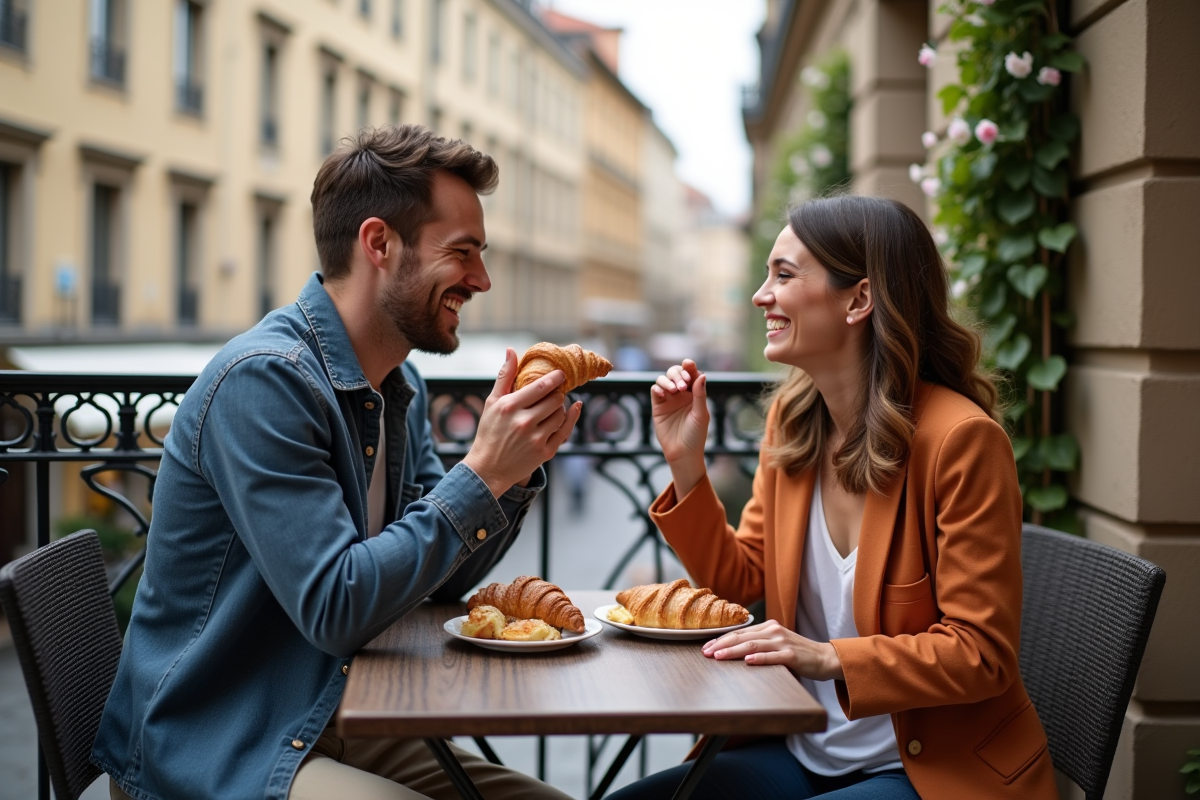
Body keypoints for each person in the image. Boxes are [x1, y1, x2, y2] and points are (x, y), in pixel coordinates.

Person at [92, 125, 580, 800]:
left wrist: (513, 473)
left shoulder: (396, 388)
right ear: (379, 244)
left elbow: (441, 581)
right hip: (224, 741)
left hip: (336, 711)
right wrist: (483, 475)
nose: (482, 279)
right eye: (463, 253)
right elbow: (336, 605)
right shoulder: (265, 384)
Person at [612, 195, 1058, 800]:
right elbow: (740, 582)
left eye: (784, 275)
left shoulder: (961, 441)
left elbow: (981, 653)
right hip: (802, 747)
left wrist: (827, 657)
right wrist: (685, 463)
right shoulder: (794, 426)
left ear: (859, 300)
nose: (760, 295)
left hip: (926, 771)